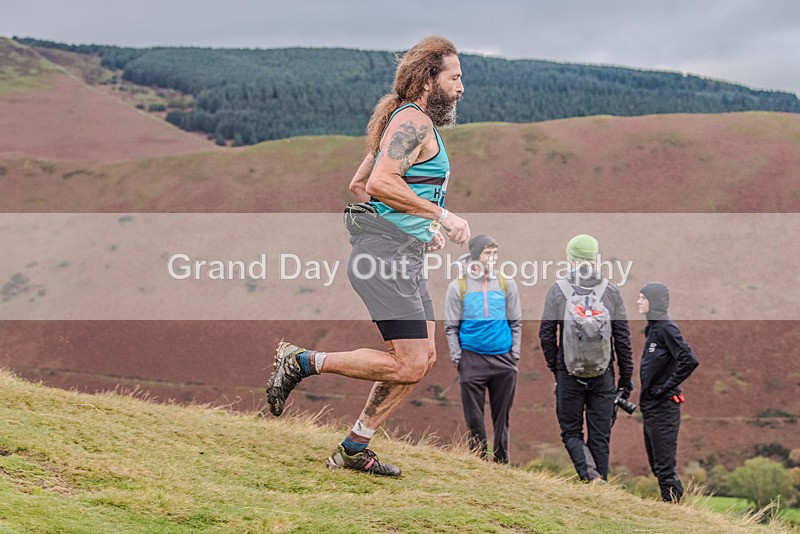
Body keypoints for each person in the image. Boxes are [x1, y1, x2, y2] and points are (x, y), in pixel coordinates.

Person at [265, 36, 470, 477]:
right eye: (454, 77)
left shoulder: (408, 122)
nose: (461, 87)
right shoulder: (411, 122)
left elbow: (360, 186)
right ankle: (301, 362)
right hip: (384, 259)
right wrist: (442, 216)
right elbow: (378, 182)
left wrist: (418, 229)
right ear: (428, 79)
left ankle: (354, 448)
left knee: (421, 361)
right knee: (409, 362)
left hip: (402, 255)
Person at [539, 234, 633, 482]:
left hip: (569, 372)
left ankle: (591, 478)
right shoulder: (610, 291)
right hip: (603, 374)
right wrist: (626, 379)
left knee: (571, 432)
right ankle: (597, 484)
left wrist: (556, 367)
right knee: (600, 436)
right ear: (594, 258)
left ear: (570, 259)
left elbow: (546, 336)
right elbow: (622, 339)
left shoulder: (558, 291)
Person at [444, 235, 522, 463]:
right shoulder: (458, 286)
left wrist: (514, 354)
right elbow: (450, 327)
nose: (493, 258)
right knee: (474, 418)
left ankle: (501, 462)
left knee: (502, 418)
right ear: (476, 254)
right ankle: (478, 461)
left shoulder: (507, 284)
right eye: (488, 253)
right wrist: (459, 359)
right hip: (471, 360)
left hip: (503, 360)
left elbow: (516, 322)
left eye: (495, 253)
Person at [637, 282, 699, 502]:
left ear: (654, 302)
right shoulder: (652, 329)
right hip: (651, 407)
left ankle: (675, 513)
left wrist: (666, 387)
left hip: (664, 407)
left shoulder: (666, 328)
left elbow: (689, 360)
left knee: (664, 467)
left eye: (642, 298)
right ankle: (671, 508)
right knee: (656, 464)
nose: (638, 301)